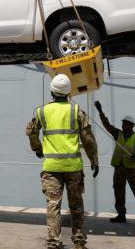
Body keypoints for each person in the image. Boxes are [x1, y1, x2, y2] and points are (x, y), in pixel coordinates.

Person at [26, 74, 99, 249]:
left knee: (53, 206)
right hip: (73, 167)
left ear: (52, 91)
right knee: (76, 204)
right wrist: (94, 159)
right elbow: (88, 139)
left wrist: (38, 148)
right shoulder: (76, 111)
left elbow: (31, 132)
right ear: (68, 93)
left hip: (51, 168)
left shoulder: (41, 112)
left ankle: (54, 243)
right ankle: (79, 242)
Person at [94, 101, 135, 227]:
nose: (123, 125)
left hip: (131, 170)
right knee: (118, 191)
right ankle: (121, 215)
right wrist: (100, 111)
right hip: (119, 169)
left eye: (126, 124)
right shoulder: (118, 134)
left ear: (131, 126)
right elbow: (107, 125)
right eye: (122, 123)